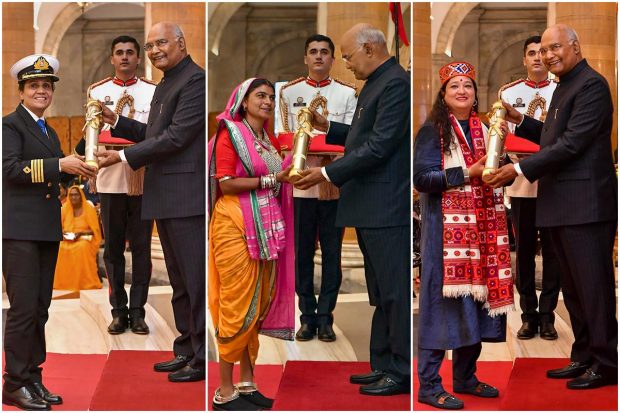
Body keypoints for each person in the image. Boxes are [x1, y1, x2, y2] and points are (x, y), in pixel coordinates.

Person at [488, 24, 618, 389]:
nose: (548, 56)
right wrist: (521, 122)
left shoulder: (591, 84)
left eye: (555, 48)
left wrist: (516, 168)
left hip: (586, 206)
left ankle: (608, 361)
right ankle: (584, 355)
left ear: (575, 47)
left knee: (593, 288)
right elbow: (551, 136)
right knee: (573, 289)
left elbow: (573, 143)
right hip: (560, 204)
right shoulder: (565, 86)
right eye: (543, 51)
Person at [295, 23, 410, 396]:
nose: (346, 64)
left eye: (347, 56)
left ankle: (401, 370)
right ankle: (382, 364)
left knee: (392, 291)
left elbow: (379, 146)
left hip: (384, 205)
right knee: (379, 292)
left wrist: (325, 172)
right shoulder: (377, 82)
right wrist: (329, 127)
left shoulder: (395, 84)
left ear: (370, 49)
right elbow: (362, 135)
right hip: (367, 203)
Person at [96, 22, 206, 383]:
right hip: (165, 194)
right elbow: (154, 134)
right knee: (179, 281)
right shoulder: (167, 81)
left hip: (185, 196)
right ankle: (186, 348)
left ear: (181, 42)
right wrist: (119, 123)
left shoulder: (194, 80)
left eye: (161, 43)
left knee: (194, 279)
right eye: (150, 45)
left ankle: (201, 357)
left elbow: (176, 137)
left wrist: (125, 158)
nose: (154, 50)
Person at [413, 61, 515, 410]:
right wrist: (466, 173)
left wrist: (505, 173)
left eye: (467, 86)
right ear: (443, 94)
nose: (461, 90)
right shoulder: (432, 132)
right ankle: (428, 384)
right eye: (454, 85)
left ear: (475, 95)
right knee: (440, 308)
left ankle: (466, 377)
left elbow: (503, 167)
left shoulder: (487, 130)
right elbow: (422, 180)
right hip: (446, 236)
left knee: (476, 306)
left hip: (483, 233)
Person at [2, 54, 97, 410]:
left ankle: (32, 377)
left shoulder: (47, 129)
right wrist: (59, 163)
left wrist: (88, 146)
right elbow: (10, 170)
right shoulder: (9, 126)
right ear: (22, 91)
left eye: (46, 85)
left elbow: (62, 174)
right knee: (24, 309)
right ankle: (14, 383)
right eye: (34, 85)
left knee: (40, 309)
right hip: (19, 232)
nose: (41, 90)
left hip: (44, 230)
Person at [209, 78, 295, 411]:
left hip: (265, 227)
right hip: (233, 224)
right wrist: (275, 178)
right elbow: (227, 184)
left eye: (271, 96)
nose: (267, 101)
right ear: (244, 101)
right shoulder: (229, 133)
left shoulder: (267, 138)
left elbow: (282, 176)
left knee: (257, 304)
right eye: (260, 95)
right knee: (236, 304)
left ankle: (247, 384)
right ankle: (224, 391)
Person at [279, 34, 357, 342]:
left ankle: (326, 316)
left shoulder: (347, 93)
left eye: (325, 52)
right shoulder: (288, 92)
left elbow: (352, 137)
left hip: (331, 182)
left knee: (332, 253)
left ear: (333, 59)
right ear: (305, 58)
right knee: (301, 254)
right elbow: (282, 135)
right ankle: (306, 316)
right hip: (300, 185)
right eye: (313, 52)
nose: (319, 57)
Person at [85, 35, 156, 335]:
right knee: (113, 249)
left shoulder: (153, 91)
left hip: (142, 177)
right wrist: (89, 163)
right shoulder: (97, 91)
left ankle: (138, 312)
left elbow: (155, 135)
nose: (125, 57)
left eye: (130, 53)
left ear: (139, 58)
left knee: (141, 249)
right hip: (110, 179)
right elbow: (91, 133)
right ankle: (118, 311)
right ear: (112, 58)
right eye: (119, 53)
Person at [498, 35, 562, 341]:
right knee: (522, 251)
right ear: (524, 59)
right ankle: (528, 315)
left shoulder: (561, 89)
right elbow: (502, 136)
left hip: (554, 181)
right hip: (522, 180)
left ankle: (548, 316)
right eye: (531, 53)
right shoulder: (509, 93)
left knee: (553, 251)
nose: (537, 57)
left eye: (542, 52)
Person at [53, 185, 103, 291]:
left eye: (76, 195)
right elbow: (58, 228)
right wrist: (66, 234)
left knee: (82, 247)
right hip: (68, 238)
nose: (73, 197)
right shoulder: (64, 209)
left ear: (81, 196)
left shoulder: (88, 209)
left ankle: (84, 282)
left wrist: (80, 233)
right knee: (60, 248)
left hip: (85, 238)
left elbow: (94, 230)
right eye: (71, 195)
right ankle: (64, 283)